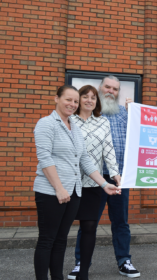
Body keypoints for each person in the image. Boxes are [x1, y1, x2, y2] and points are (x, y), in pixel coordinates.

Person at [33, 85, 120, 280]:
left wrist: (104, 184)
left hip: (73, 192)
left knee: (61, 240)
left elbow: (84, 160)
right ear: (57, 99)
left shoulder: (73, 126)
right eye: (68, 100)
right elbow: (45, 158)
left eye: (74, 101)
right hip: (51, 191)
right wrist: (59, 188)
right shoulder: (46, 124)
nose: (72, 104)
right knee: (47, 240)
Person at [69, 76, 140, 279]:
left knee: (121, 222)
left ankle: (124, 261)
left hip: (119, 177)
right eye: (107, 87)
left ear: (118, 92)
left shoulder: (125, 115)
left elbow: (142, 134)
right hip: (93, 177)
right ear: (100, 88)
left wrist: (135, 113)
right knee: (88, 222)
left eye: (115, 89)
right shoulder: (90, 115)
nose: (110, 91)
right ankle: (81, 263)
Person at [66, 85, 121, 280]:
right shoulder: (69, 120)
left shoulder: (103, 122)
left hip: (93, 182)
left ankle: (83, 272)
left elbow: (109, 149)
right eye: (85, 97)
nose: (89, 100)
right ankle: (56, 270)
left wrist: (115, 174)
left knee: (89, 227)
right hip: (69, 183)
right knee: (61, 227)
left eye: (93, 98)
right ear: (78, 99)